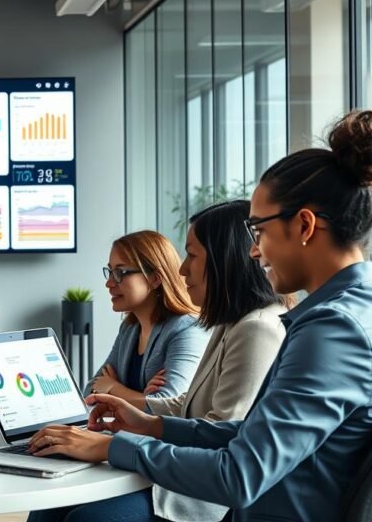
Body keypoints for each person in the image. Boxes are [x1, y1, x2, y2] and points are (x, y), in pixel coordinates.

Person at [27, 111, 372, 521]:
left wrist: (109, 446)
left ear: (304, 225)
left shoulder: (332, 330)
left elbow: (241, 474)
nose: (254, 251)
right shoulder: (344, 313)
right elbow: (252, 436)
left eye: (258, 230)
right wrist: (151, 425)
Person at [28, 201, 287, 522]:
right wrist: (138, 417)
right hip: (170, 467)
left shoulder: (257, 330)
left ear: (224, 262)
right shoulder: (226, 323)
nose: (181, 270)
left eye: (192, 256)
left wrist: (121, 438)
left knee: (91, 517)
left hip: (200, 494)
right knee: (50, 506)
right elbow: (188, 405)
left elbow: (221, 434)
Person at [87, 231, 207, 407]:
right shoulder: (129, 329)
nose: (109, 283)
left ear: (155, 279)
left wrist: (114, 387)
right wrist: (142, 398)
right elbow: (91, 389)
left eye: (120, 272)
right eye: (110, 272)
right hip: (127, 432)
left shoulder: (187, 329)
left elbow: (168, 407)